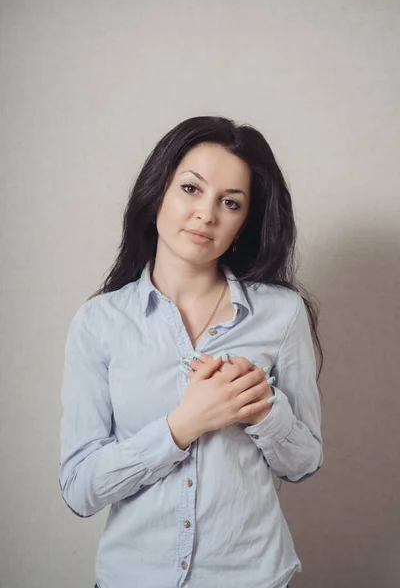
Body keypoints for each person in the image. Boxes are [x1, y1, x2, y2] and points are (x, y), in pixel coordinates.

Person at [59, 115, 323, 588]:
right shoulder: (99, 323)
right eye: (191, 189)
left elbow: (304, 462)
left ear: (244, 223)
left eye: (230, 202)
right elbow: (80, 489)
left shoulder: (281, 315)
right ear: (157, 191)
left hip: (252, 576)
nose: (206, 214)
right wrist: (183, 426)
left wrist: (263, 408)